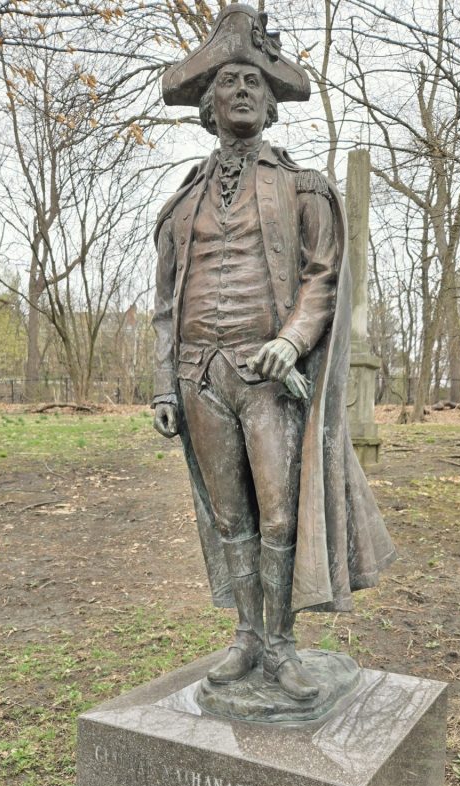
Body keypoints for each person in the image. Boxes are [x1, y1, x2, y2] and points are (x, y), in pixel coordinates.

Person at [152, 5, 395, 702]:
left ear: (270, 104)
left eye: (254, 83)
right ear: (208, 105)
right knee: (232, 517)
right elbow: (164, 305)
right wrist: (164, 386)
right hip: (199, 375)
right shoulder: (180, 207)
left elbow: (323, 278)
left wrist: (290, 341)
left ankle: (283, 644)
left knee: (281, 515)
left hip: (269, 377)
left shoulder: (302, 187)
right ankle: (247, 636)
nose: (242, 91)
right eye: (228, 82)